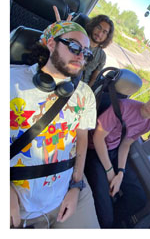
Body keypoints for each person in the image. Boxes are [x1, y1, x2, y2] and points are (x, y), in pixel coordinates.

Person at [10, 21, 100, 228]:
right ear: (51, 43)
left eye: (86, 53)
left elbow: (82, 140)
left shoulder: (85, 94)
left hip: (68, 193)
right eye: (74, 47)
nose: (80, 56)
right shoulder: (10, 79)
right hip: (17, 201)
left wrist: (77, 185)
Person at [84, 87, 150, 228]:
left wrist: (120, 172)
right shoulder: (123, 106)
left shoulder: (148, 124)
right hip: (94, 150)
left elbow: (125, 145)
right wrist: (109, 171)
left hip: (113, 152)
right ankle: (106, 219)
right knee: (106, 217)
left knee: (138, 198)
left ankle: (110, 222)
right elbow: (98, 137)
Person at [79, 15, 115, 88]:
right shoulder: (78, 39)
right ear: (93, 26)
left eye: (104, 32)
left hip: (82, 86)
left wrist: (85, 91)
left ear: (107, 36)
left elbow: (93, 78)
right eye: (99, 28)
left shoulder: (102, 56)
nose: (100, 33)